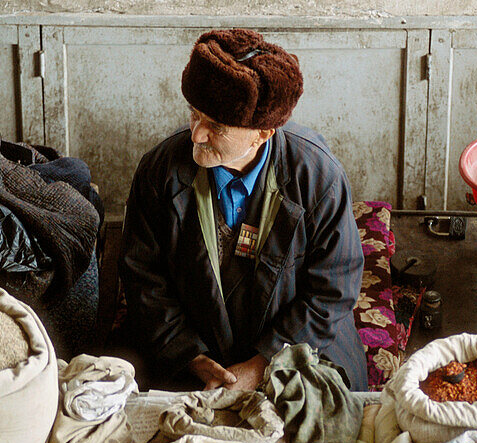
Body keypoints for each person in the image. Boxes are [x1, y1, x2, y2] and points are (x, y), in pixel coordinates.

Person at [120, 28, 368, 392]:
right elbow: (143, 278)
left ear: (263, 134)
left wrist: (263, 364)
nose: (196, 135)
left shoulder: (317, 176)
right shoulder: (160, 171)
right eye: (194, 114)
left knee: (324, 419)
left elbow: (333, 289)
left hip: (294, 348)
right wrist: (192, 357)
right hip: (189, 349)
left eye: (216, 127)